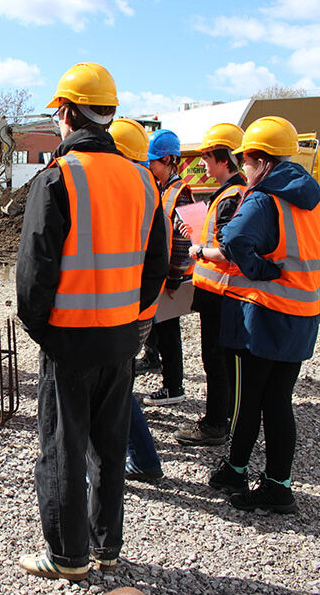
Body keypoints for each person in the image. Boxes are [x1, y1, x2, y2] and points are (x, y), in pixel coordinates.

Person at [16, 63, 168, 581]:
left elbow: (33, 278)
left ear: (65, 111)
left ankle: (68, 556)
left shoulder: (59, 178)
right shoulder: (144, 181)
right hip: (121, 340)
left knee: (63, 448)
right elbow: (156, 269)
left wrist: (47, 332)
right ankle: (106, 549)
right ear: (107, 116)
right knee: (109, 446)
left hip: (70, 340)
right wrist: (132, 321)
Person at [207, 116, 320, 513]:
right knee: (278, 400)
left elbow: (234, 240)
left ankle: (235, 469)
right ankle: (278, 484)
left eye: (245, 160)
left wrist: (260, 269)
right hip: (301, 315)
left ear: (260, 160)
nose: (242, 167)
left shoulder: (264, 198)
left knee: (248, 399)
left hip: (261, 317)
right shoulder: (315, 201)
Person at [174, 123, 246, 446]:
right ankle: (225, 418)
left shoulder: (232, 197)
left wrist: (199, 250)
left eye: (206, 156)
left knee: (216, 361)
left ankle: (216, 424)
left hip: (219, 294)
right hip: (216, 294)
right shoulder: (228, 195)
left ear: (223, 159)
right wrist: (195, 233)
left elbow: (229, 250)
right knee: (220, 361)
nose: (202, 163)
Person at [109, 118, 166, 481]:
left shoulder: (128, 188)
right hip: (137, 307)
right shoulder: (147, 188)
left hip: (125, 310)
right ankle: (143, 458)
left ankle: (143, 460)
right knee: (117, 384)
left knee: (114, 387)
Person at [139, 129, 194, 406]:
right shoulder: (161, 189)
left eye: (155, 163)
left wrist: (175, 276)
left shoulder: (180, 193)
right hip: (161, 274)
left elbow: (183, 239)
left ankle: (174, 387)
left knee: (170, 332)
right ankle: (155, 363)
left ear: (170, 160)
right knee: (159, 327)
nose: (151, 167)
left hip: (172, 275)